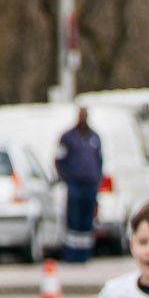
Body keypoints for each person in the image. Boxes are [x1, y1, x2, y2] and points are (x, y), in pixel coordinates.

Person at [55, 106, 103, 262]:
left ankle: (85, 253)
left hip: (90, 184)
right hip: (75, 184)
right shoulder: (68, 137)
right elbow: (59, 160)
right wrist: (67, 178)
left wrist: (97, 179)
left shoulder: (94, 137)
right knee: (74, 220)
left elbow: (100, 160)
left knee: (87, 220)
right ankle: (72, 253)